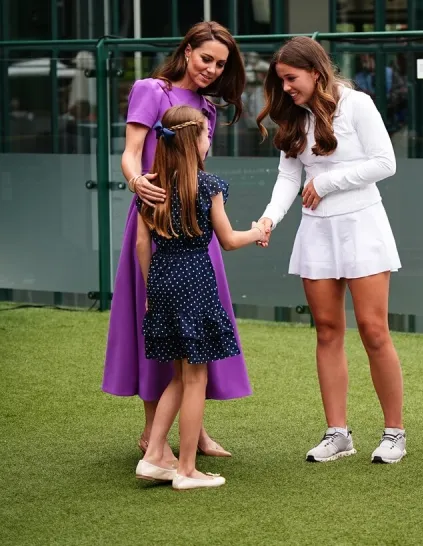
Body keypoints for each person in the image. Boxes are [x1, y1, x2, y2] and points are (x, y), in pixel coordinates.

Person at [254, 37, 406, 464]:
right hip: (315, 233)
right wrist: (269, 218)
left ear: (315, 72)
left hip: (363, 227)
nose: (284, 88)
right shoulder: (293, 116)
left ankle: (394, 433)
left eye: (291, 78)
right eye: (280, 80)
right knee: (326, 331)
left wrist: (325, 183)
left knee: (375, 331)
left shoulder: (357, 104)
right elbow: (288, 178)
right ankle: (337, 433)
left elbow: (385, 162)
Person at [102, 21, 248, 461]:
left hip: (198, 232)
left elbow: (198, 170)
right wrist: (136, 183)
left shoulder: (208, 107)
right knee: (156, 326)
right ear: (187, 52)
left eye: (221, 65)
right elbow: (130, 152)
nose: (212, 70)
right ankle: (153, 435)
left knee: (196, 330)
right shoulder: (152, 89)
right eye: (206, 59)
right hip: (152, 223)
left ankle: (194, 431)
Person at [133, 106, 266, 490]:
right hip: (194, 281)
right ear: (196, 141)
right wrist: (256, 230)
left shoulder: (151, 187)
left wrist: (149, 291)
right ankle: (187, 470)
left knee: (177, 375)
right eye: (208, 135)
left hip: (161, 279)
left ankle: (154, 455)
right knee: (196, 378)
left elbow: (143, 244)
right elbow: (227, 240)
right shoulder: (209, 186)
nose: (211, 141)